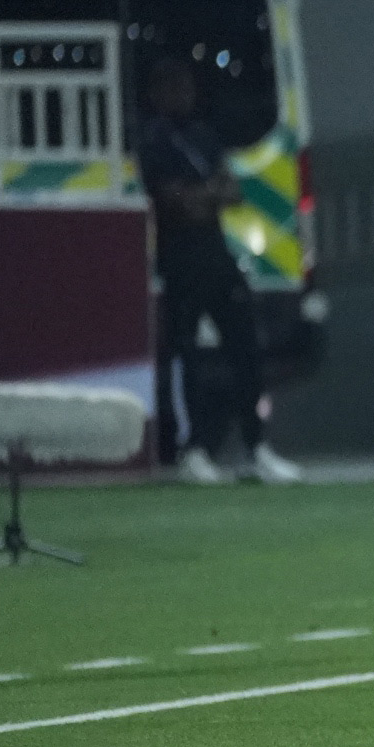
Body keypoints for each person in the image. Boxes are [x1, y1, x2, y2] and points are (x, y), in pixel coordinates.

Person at [136, 58, 300, 487]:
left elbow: (233, 192)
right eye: (175, 87)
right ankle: (193, 452)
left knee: (245, 347)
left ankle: (256, 448)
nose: (185, 95)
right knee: (187, 356)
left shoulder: (204, 136)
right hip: (180, 261)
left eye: (188, 87)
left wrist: (203, 194)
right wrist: (207, 194)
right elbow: (177, 201)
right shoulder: (153, 140)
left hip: (217, 257)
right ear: (158, 94)